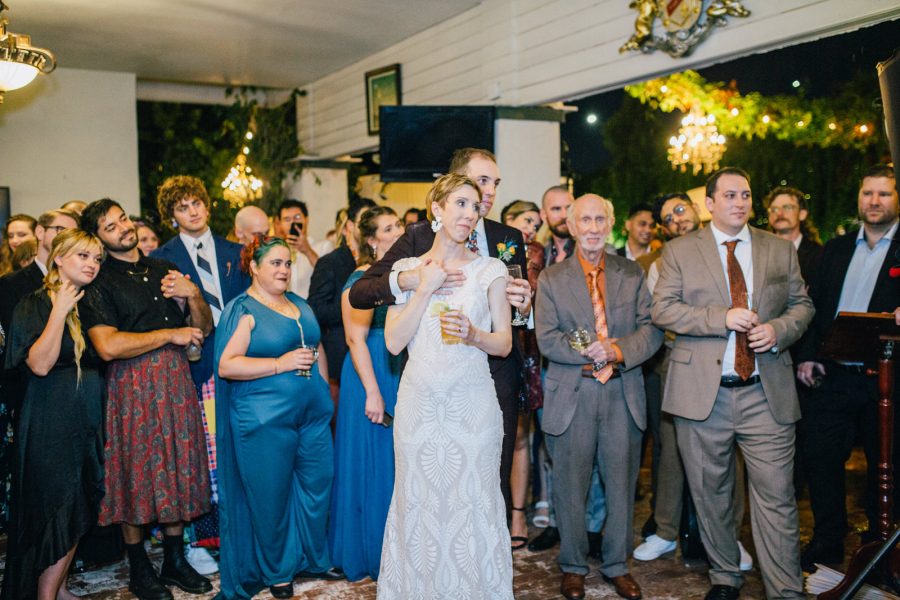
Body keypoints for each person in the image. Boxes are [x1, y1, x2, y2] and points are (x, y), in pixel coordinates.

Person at [653, 167, 814, 600]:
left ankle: (785, 590)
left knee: (777, 496)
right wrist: (720, 318)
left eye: (745, 194)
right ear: (709, 203)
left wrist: (779, 330)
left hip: (766, 392)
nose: (740, 202)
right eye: (729, 195)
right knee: (711, 494)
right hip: (701, 396)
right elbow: (663, 309)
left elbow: (802, 306)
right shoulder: (680, 251)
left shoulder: (778, 248)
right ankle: (725, 575)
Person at [349, 148, 532, 526]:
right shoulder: (416, 239)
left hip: (489, 382)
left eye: (494, 184)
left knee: (486, 489)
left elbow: (511, 320)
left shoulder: (507, 238)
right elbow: (363, 292)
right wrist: (413, 280)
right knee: (426, 497)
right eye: (481, 182)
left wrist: (525, 307)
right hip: (428, 388)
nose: (488, 194)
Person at [377, 172, 513, 598]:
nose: (470, 213)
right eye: (460, 203)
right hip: (419, 406)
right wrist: (424, 289)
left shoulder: (491, 270)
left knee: (473, 504)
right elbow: (394, 342)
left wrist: (473, 334)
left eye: (475, 206)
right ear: (436, 208)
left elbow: (504, 344)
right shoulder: (407, 270)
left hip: (472, 407)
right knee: (418, 504)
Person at [80, 199, 214, 600]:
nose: (123, 227)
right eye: (110, 226)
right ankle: (139, 567)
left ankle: (174, 559)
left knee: (177, 466)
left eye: (122, 218)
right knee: (135, 474)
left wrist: (194, 295)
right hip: (131, 386)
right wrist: (169, 335)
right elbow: (107, 346)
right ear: (98, 238)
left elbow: (203, 328)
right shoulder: (99, 281)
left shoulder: (163, 269)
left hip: (176, 381)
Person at [536, 194, 662, 600]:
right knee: (570, 488)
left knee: (622, 487)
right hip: (573, 393)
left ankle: (616, 565)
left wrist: (617, 350)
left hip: (622, 392)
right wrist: (592, 352)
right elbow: (546, 338)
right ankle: (573, 566)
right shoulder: (552, 278)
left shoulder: (632, 273)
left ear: (610, 225)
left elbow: (651, 330)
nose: (592, 228)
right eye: (584, 220)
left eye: (599, 220)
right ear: (572, 227)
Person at [214, 235, 341, 599]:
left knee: (318, 485)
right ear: (254, 267)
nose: (283, 269)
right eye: (275, 263)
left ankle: (314, 557)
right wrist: (279, 364)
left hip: (312, 417)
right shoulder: (243, 310)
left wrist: (324, 392)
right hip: (263, 420)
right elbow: (226, 365)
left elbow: (316, 349)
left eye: (287, 263)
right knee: (271, 497)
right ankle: (278, 571)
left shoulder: (299, 304)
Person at [633, 194, 750, 571]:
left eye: (681, 210)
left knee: (729, 451)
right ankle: (666, 530)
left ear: (699, 208)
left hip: (729, 359)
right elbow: (661, 315)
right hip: (676, 359)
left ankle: (731, 539)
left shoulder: (729, 249)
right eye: (668, 218)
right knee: (671, 449)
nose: (677, 220)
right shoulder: (662, 260)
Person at [796, 164, 900, 570]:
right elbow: (813, 306)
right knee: (820, 459)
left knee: (885, 465)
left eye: (884, 194)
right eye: (867, 193)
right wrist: (808, 355)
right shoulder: (836, 249)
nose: (874, 201)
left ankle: (879, 545)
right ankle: (827, 541)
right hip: (833, 375)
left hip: (885, 380)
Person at [152, 175, 250, 570]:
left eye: (196, 203)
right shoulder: (161, 257)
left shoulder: (235, 252)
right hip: (195, 363)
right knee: (204, 454)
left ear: (207, 205)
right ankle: (201, 540)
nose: (192, 212)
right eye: (182, 207)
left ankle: (242, 531)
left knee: (241, 445)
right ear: (171, 217)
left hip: (241, 357)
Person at [0, 230, 104, 600]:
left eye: (96, 258)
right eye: (83, 256)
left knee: (79, 504)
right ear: (58, 258)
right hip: (50, 417)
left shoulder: (90, 302)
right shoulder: (33, 304)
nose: (92, 264)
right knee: (54, 505)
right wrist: (59, 310)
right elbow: (40, 365)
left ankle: (57, 589)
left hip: (86, 416)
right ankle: (44, 595)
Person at [329, 206, 405, 581]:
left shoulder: (404, 274)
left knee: (398, 461)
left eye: (399, 224)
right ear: (372, 240)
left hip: (400, 367)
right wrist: (373, 393)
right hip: (370, 372)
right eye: (388, 228)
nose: (398, 231)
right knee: (373, 460)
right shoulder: (360, 279)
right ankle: (370, 549)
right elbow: (354, 339)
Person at [0, 209, 79, 534]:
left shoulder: (83, 281)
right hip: (31, 396)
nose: (64, 236)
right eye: (58, 229)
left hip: (74, 398)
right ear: (40, 233)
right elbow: (16, 349)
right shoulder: (11, 285)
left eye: (72, 231)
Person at [502, 199, 544, 550]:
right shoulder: (493, 248)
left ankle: (518, 514)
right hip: (489, 346)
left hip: (527, 347)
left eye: (536, 224)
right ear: (508, 220)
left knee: (519, 437)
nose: (531, 228)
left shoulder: (539, 256)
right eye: (527, 221)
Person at [308, 197, 377, 405]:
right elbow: (315, 309)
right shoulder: (330, 262)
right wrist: (353, 308)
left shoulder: (379, 263)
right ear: (349, 226)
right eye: (364, 221)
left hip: (374, 354)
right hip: (340, 358)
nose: (368, 227)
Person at [762, 186, 823, 288]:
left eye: (787, 208)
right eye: (774, 209)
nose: (779, 213)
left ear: (802, 214)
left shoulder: (819, 255)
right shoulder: (758, 252)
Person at [273, 199, 331, 299]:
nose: (293, 222)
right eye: (287, 219)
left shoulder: (324, 246)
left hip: (314, 306)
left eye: (297, 217)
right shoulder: (275, 252)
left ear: (306, 219)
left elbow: (329, 275)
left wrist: (307, 250)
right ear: (280, 224)